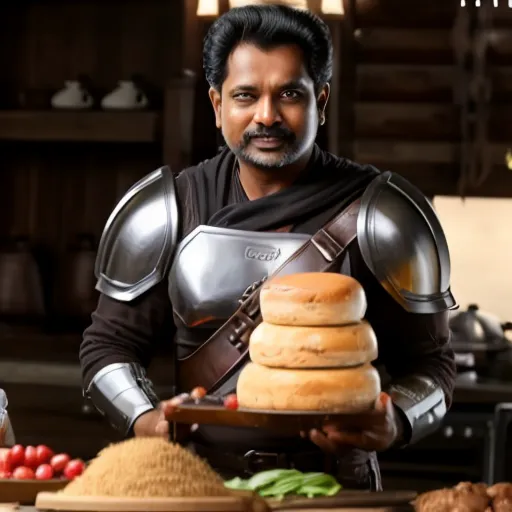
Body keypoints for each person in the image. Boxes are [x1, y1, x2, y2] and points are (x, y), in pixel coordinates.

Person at [80, 4, 457, 491]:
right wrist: (148, 420)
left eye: (290, 95)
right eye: (245, 95)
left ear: (321, 99)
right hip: (200, 486)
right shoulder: (171, 208)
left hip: (336, 490)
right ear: (217, 106)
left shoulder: (383, 214)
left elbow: (434, 367)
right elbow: (107, 347)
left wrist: (394, 421)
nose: (267, 115)